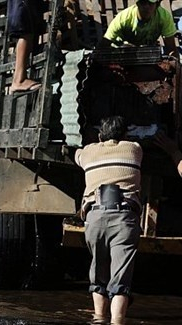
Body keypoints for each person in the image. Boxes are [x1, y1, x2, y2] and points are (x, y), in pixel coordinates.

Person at [74, 116, 142, 325]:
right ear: (125, 135)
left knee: (98, 275)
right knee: (120, 279)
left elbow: (77, 154)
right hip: (124, 218)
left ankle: (98, 319)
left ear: (100, 135)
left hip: (94, 216)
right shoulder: (134, 149)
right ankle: (117, 322)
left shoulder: (88, 152)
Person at [97, 0, 178, 56]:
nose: (146, 7)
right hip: (122, 53)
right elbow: (104, 43)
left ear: (157, 5)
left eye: (150, 3)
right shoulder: (123, 19)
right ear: (137, 4)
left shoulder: (164, 18)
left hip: (147, 52)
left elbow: (171, 49)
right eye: (143, 2)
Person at [8, 0, 46, 93]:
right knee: (26, 35)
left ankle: (19, 78)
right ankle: (19, 80)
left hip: (21, 5)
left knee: (27, 36)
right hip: (22, 4)